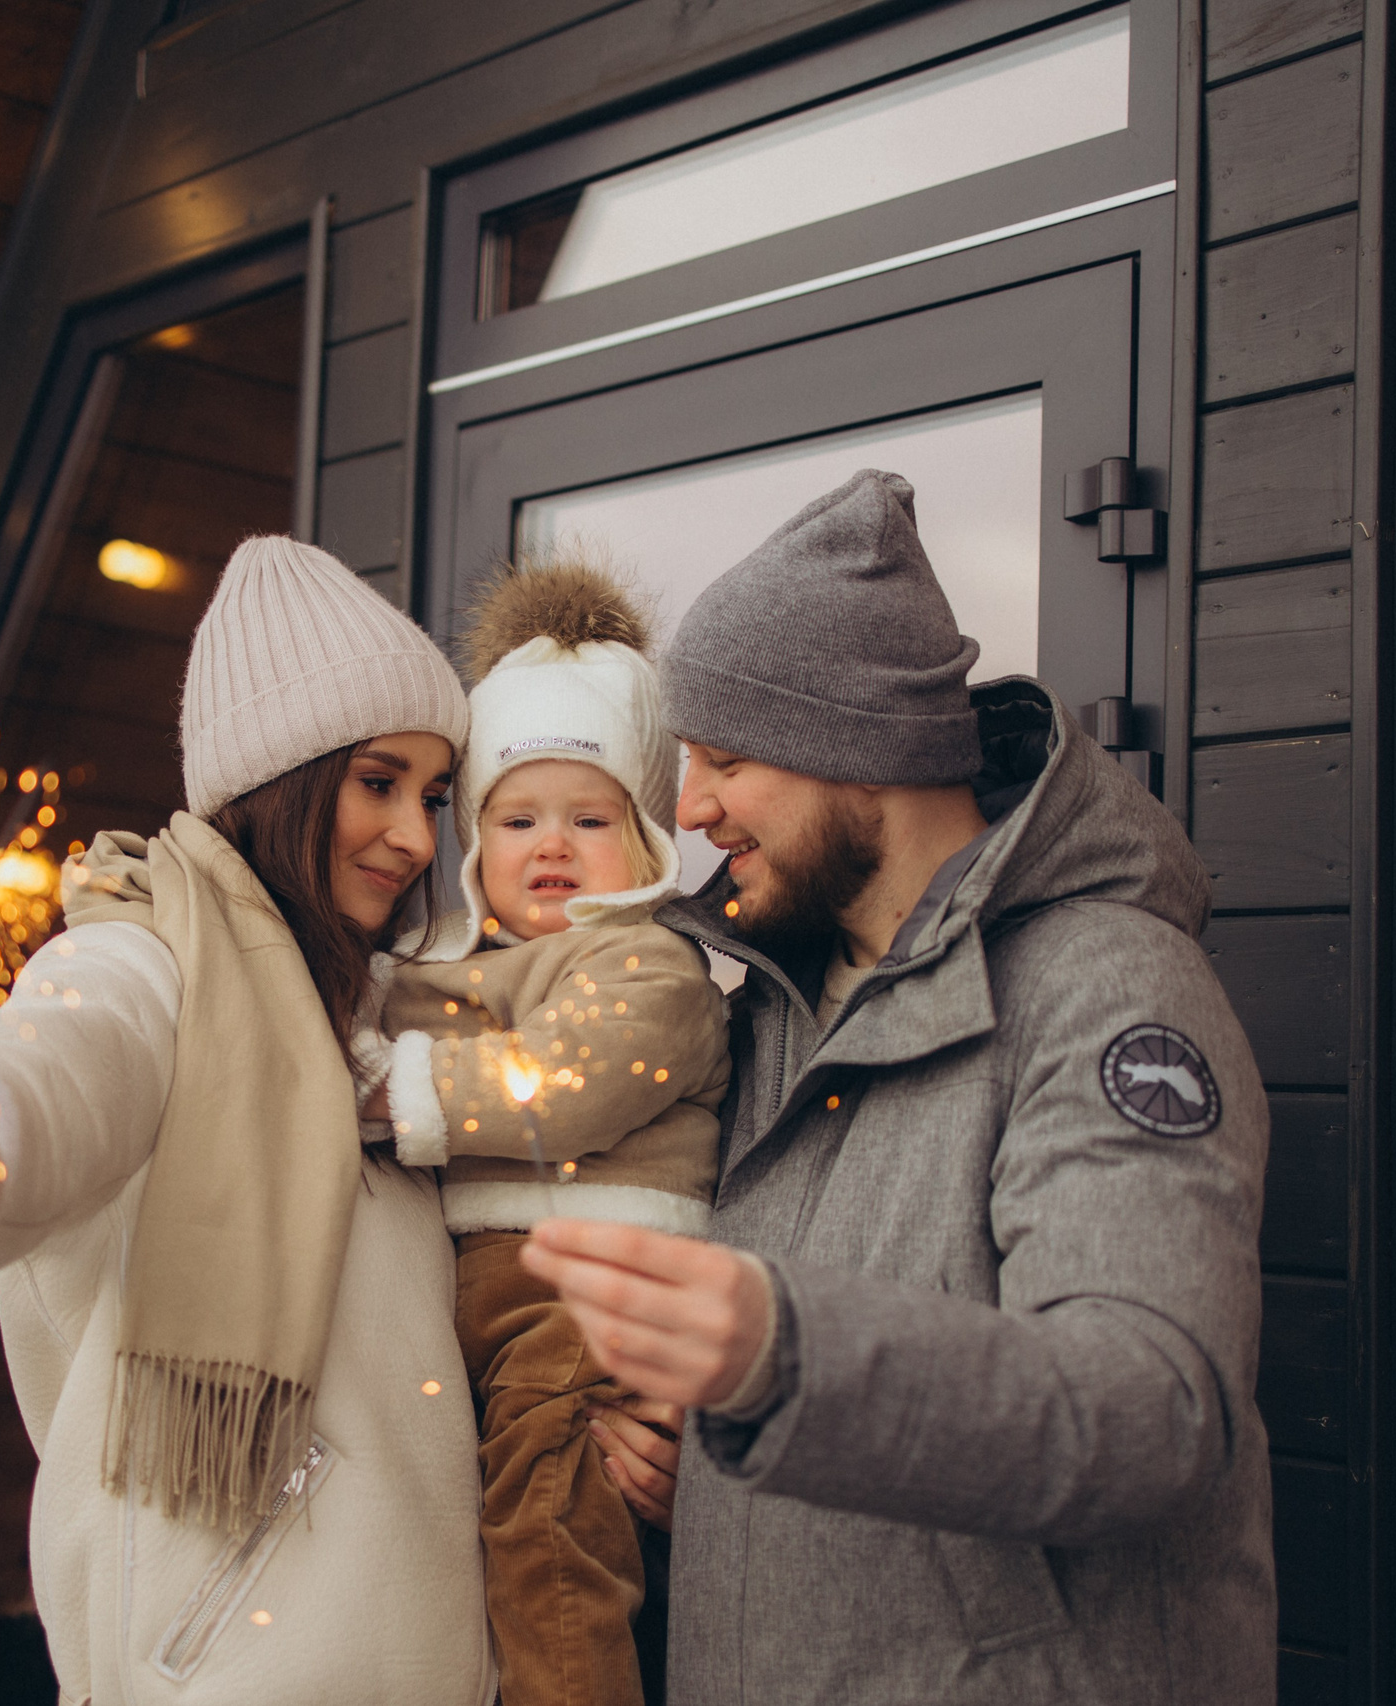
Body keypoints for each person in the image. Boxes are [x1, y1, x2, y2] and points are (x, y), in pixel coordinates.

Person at [518, 470, 1278, 1703]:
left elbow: (1155, 1410)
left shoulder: (1110, 990)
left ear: (855, 751)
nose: (688, 807)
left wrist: (777, 1352)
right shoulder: (762, 1013)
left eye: (725, 758)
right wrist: (699, 1454)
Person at [0, 536, 500, 1705]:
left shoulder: (375, 1040)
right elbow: (61, 1072)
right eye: (378, 780)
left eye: (433, 795)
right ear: (282, 776)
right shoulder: (143, 960)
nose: (413, 834)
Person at [369, 558, 728, 1706]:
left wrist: (389, 1095)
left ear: (650, 839)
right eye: (517, 818)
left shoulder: (650, 961)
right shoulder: (467, 966)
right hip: (497, 1304)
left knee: (548, 1539)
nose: (552, 844)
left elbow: (569, 1081)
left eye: (590, 816)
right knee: (493, 1532)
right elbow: (372, 1002)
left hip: (590, 1290)